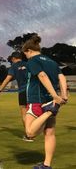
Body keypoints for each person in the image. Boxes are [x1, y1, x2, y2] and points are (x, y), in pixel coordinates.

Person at [21, 34, 67, 169]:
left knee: (30, 133)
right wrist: (62, 96)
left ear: (28, 50)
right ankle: (46, 165)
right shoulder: (52, 62)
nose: (26, 57)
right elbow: (62, 77)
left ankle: (48, 112)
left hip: (37, 100)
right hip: (52, 101)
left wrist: (55, 96)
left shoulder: (32, 61)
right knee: (50, 132)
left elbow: (42, 75)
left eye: (25, 54)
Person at [0, 51, 33, 142]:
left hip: (23, 92)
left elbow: (7, 79)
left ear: (13, 58)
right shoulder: (29, 64)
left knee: (24, 114)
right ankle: (35, 130)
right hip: (33, 91)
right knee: (33, 112)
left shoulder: (14, 66)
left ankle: (29, 135)